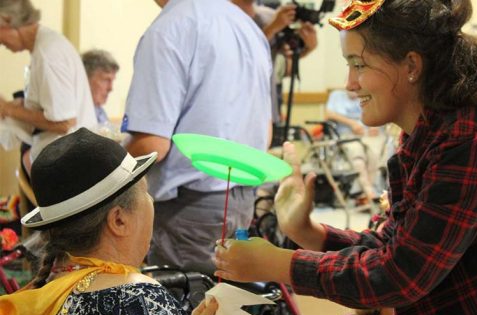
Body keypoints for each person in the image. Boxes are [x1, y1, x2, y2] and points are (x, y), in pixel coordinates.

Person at [214, 0, 477, 315]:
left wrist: (279, 264)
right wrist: (306, 231)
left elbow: (400, 275)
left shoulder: (471, 135)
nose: (349, 84)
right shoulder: (424, 134)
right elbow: (391, 248)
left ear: (411, 65)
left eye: (358, 65)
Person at [0, 128, 217, 315]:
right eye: (145, 192)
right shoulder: (140, 301)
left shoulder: (43, 299)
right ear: (118, 220)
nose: (151, 201)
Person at [122, 0, 272, 275]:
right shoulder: (246, 27)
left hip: (190, 209)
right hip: (241, 198)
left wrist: (100, 172)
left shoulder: (169, 29)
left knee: (188, 311)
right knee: (224, 305)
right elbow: (266, 129)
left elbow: (151, 145)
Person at [0, 0, 97, 175]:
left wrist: (8, 109)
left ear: (6, 21)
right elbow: (52, 107)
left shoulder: (48, 53)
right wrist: (20, 106)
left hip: (69, 165)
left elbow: (64, 122)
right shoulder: (43, 47)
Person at [231, 0, 318, 123]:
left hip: (268, 112)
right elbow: (238, 58)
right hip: (235, 111)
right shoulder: (221, 17)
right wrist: (272, 28)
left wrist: (307, 49)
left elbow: (282, 68)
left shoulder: (268, 16)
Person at [324, 89, 388, 201]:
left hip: (366, 135)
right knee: (358, 157)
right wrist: (352, 123)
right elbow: (329, 114)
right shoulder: (336, 96)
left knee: (375, 154)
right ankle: (367, 193)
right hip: (346, 137)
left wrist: (375, 125)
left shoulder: (365, 96)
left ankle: (374, 191)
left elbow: (376, 114)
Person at [82, 49, 119, 124]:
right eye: (105, 80)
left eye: (112, 81)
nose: (110, 88)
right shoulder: (73, 114)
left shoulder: (99, 111)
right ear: (86, 79)